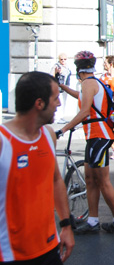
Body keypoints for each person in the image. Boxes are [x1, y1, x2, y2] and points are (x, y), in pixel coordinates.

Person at [0, 71, 75, 263]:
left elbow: (56, 180)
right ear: (39, 104)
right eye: (56, 98)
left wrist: (66, 225)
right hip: (10, 255)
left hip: (49, 248)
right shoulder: (3, 141)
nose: (59, 103)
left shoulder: (49, 135)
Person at [58, 51, 114, 234]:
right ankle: (93, 221)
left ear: (78, 68)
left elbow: (84, 111)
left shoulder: (89, 83)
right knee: (89, 179)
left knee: (102, 181)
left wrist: (62, 130)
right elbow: (81, 98)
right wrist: (63, 87)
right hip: (94, 137)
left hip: (100, 136)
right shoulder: (91, 83)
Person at [52, 52, 72, 124]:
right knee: (59, 102)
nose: (63, 61)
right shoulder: (56, 66)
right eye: (61, 59)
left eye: (65, 59)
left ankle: (62, 116)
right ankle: (57, 118)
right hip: (59, 87)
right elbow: (52, 76)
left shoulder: (67, 66)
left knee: (64, 101)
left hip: (65, 86)